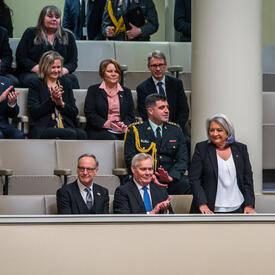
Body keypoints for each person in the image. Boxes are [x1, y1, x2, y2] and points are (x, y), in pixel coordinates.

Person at [124, 93, 190, 195]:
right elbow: (130, 159)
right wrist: (150, 176)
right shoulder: (135, 130)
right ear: (150, 111)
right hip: (145, 178)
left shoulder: (175, 130)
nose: (167, 111)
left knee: (189, 185)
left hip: (170, 179)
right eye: (162, 108)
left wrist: (170, 177)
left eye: (167, 107)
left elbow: (183, 159)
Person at [190, 113, 256, 214]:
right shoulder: (201, 148)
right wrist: (202, 204)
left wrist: (249, 204)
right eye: (212, 130)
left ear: (228, 131)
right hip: (208, 209)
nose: (215, 133)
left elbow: (247, 178)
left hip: (238, 207)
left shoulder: (241, 149)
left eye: (219, 130)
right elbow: (195, 179)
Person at [16, 5, 79, 89]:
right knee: (34, 81)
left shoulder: (68, 36)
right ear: (42, 18)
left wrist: (59, 71)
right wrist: (43, 70)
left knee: (71, 80)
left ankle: (65, 103)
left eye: (57, 17)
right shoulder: (30, 33)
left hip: (59, 73)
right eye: (50, 16)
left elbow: (73, 62)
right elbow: (21, 58)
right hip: (34, 73)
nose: (54, 19)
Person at [27, 51, 87, 139]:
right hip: (44, 126)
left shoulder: (66, 83)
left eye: (58, 67)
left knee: (82, 134)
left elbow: (74, 112)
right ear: (45, 67)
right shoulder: (35, 84)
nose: (56, 70)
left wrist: (61, 104)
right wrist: (51, 100)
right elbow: (34, 112)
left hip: (65, 124)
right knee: (70, 134)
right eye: (53, 67)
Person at [137, 50, 189, 134]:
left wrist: (174, 128)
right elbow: (144, 113)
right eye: (154, 65)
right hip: (155, 130)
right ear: (148, 67)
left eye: (161, 65)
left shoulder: (177, 84)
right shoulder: (142, 88)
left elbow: (184, 110)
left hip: (177, 128)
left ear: (165, 65)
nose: (158, 69)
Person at [84, 59, 135, 140]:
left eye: (116, 71)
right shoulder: (93, 90)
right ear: (103, 73)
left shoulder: (126, 92)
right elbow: (90, 114)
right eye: (110, 71)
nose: (114, 74)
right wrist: (108, 124)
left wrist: (124, 124)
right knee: (111, 138)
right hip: (99, 128)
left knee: (135, 138)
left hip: (122, 129)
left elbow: (131, 115)